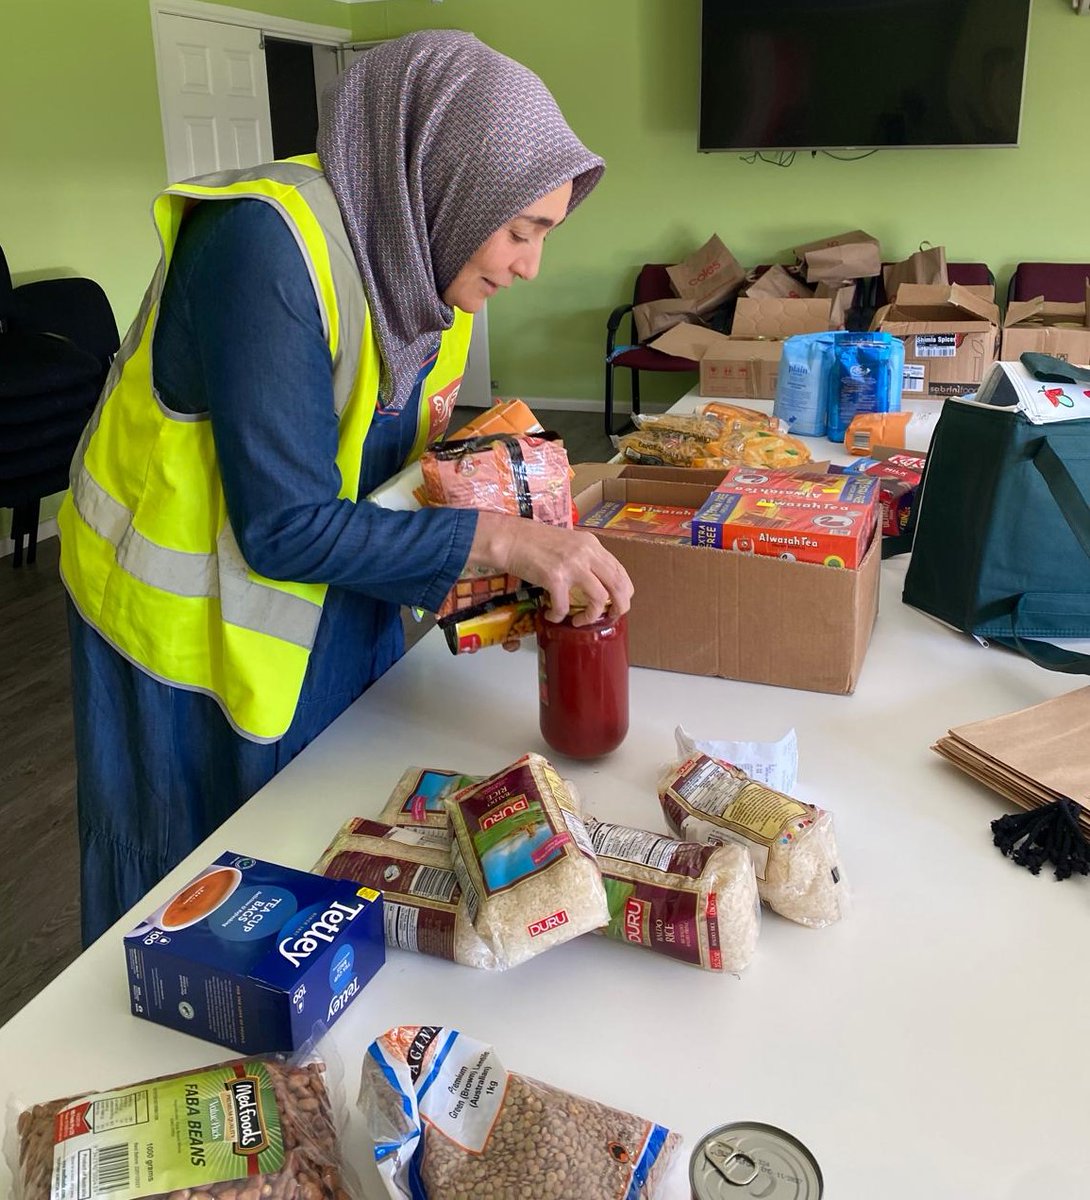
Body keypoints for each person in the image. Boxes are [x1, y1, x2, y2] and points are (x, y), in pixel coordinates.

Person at [60, 30, 633, 946]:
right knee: (188, 898)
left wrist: (518, 512)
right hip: (182, 635)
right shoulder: (265, 247)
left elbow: (398, 462)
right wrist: (500, 542)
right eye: (522, 229)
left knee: (308, 875)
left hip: (321, 608)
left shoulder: (416, 257)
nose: (531, 265)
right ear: (451, 178)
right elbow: (284, 528)